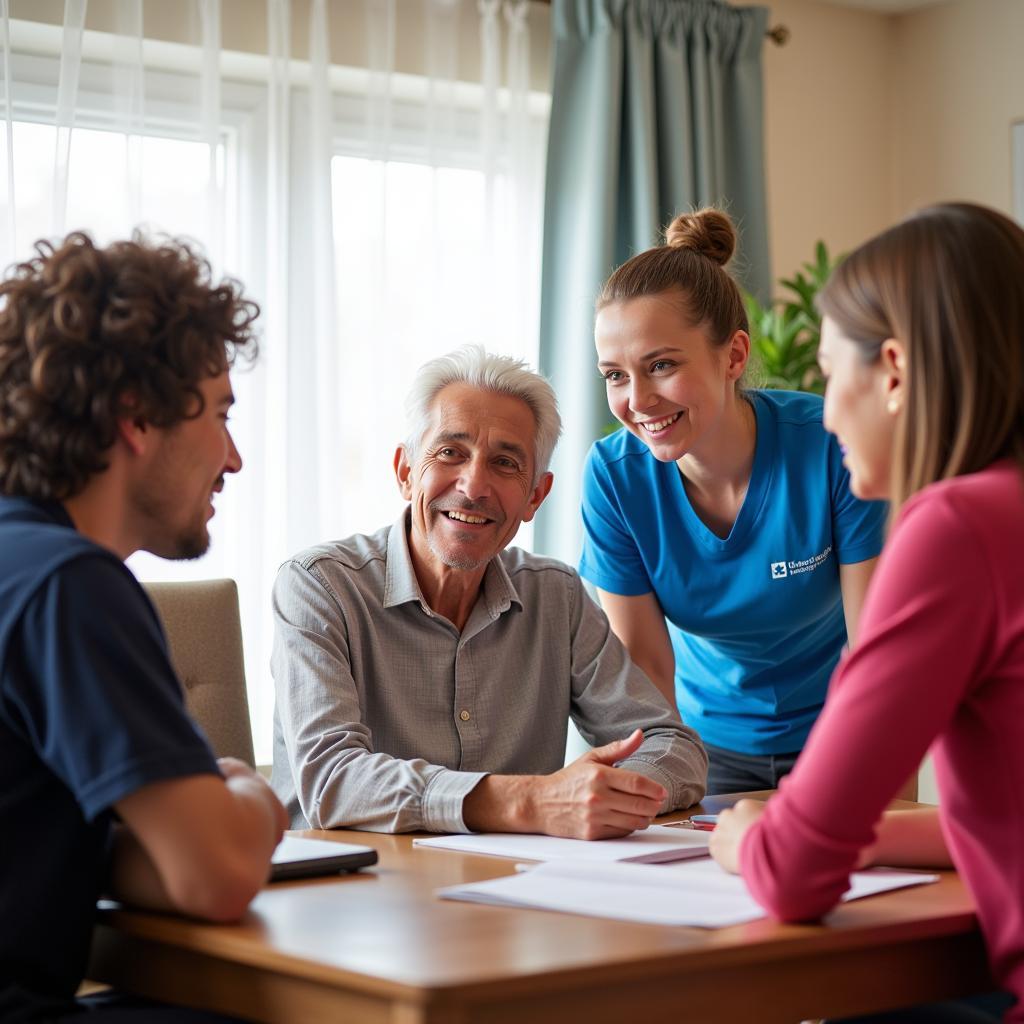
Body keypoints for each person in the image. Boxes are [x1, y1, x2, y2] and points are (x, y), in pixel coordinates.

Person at [708, 202, 1024, 1023]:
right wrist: (864, 831)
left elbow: (792, 876)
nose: (826, 410)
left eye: (825, 371)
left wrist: (748, 835)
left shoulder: (959, 528)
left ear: (893, 370)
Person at [0, 233, 288, 1023]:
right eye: (221, 414)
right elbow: (216, 876)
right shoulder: (71, 587)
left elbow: (104, 861)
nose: (232, 458)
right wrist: (251, 795)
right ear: (137, 417)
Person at [271, 345, 707, 836]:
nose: (474, 486)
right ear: (405, 472)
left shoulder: (556, 596)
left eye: (504, 463)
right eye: (450, 453)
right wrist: (532, 801)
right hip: (346, 893)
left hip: (511, 890)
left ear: (534, 496)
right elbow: (332, 781)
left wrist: (607, 797)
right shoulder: (318, 585)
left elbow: (671, 745)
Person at [580, 207, 888, 794]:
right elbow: (644, 668)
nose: (638, 400)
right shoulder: (614, 479)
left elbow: (874, 644)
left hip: (844, 734)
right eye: (614, 375)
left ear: (734, 356)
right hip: (704, 745)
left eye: (662, 365)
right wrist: (654, 793)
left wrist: (860, 789)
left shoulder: (831, 447)